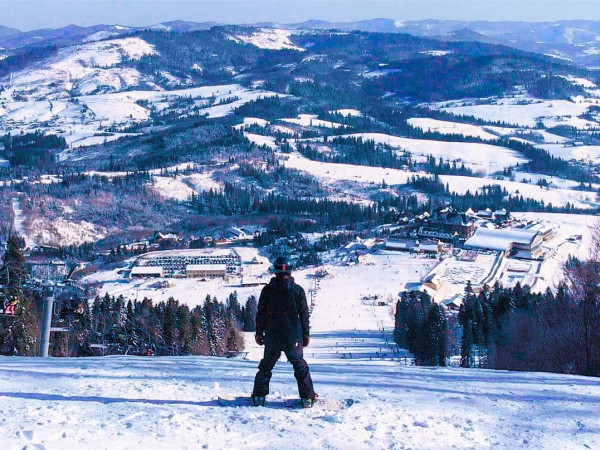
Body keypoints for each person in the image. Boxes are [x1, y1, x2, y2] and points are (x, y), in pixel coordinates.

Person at [251, 256, 317, 408]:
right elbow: (304, 314)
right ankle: (307, 398)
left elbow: (261, 313)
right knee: (300, 367)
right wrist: (306, 334)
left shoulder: (267, 290)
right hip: (292, 336)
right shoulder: (297, 290)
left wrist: (259, 332)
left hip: (272, 335)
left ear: (275, 272)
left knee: (266, 366)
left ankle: (259, 397)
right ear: (290, 271)